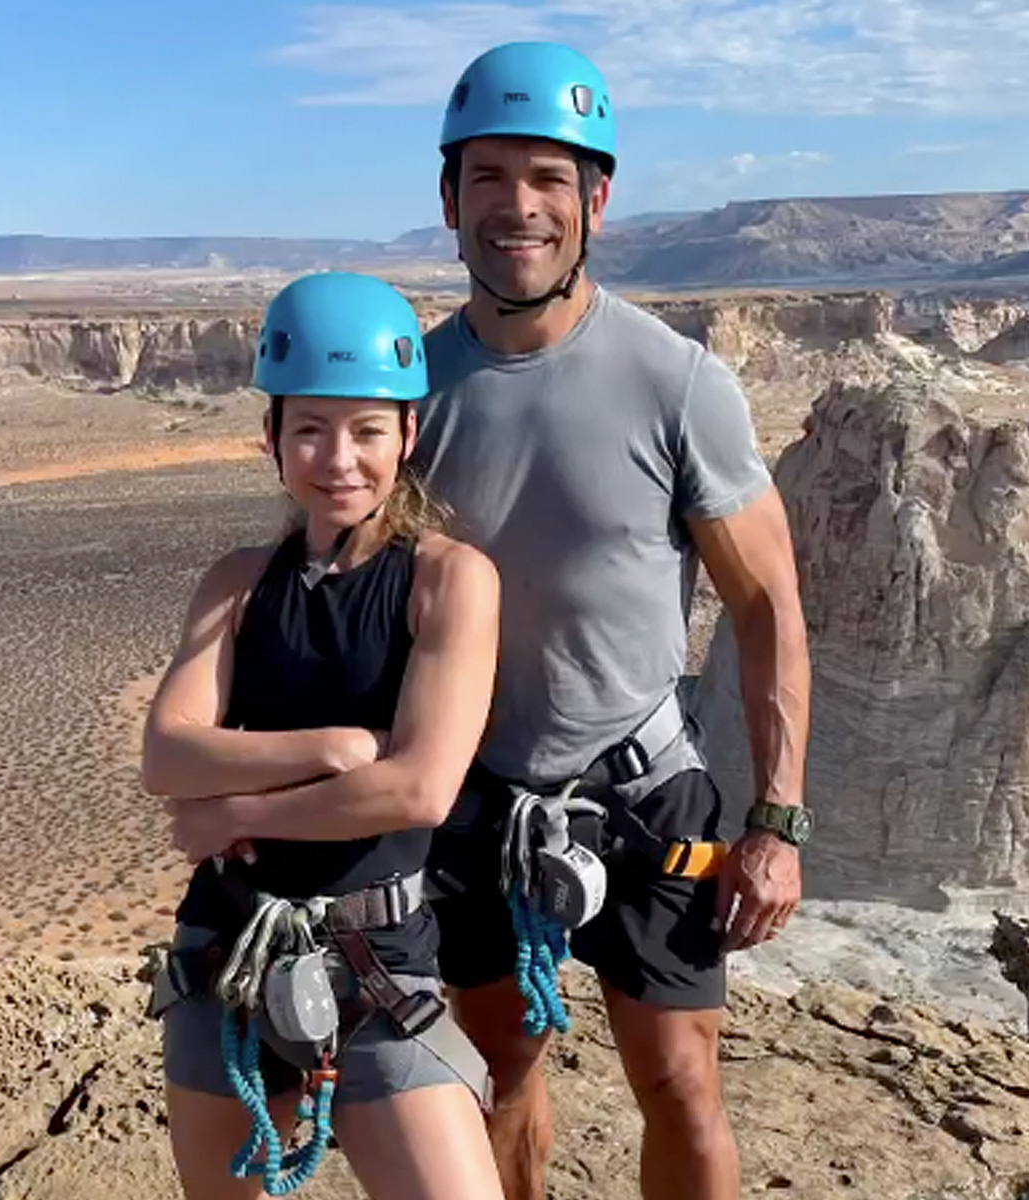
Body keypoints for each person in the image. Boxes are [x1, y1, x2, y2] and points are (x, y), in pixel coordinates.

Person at [412, 42, 812, 1200]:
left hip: (644, 793)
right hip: (479, 798)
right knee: (500, 1070)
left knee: (682, 1082)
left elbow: (768, 605)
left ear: (596, 199)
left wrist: (776, 818)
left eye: (548, 179)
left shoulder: (678, 382)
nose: (517, 208)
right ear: (449, 199)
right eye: (489, 177)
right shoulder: (414, 391)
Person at [140, 271, 505, 1200]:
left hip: (380, 963)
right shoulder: (238, 582)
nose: (338, 458)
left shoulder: (450, 580)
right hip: (227, 951)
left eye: (368, 430)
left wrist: (232, 813)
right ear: (272, 439)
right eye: (310, 428)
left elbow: (418, 789)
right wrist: (333, 749)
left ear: (408, 436)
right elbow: (166, 753)